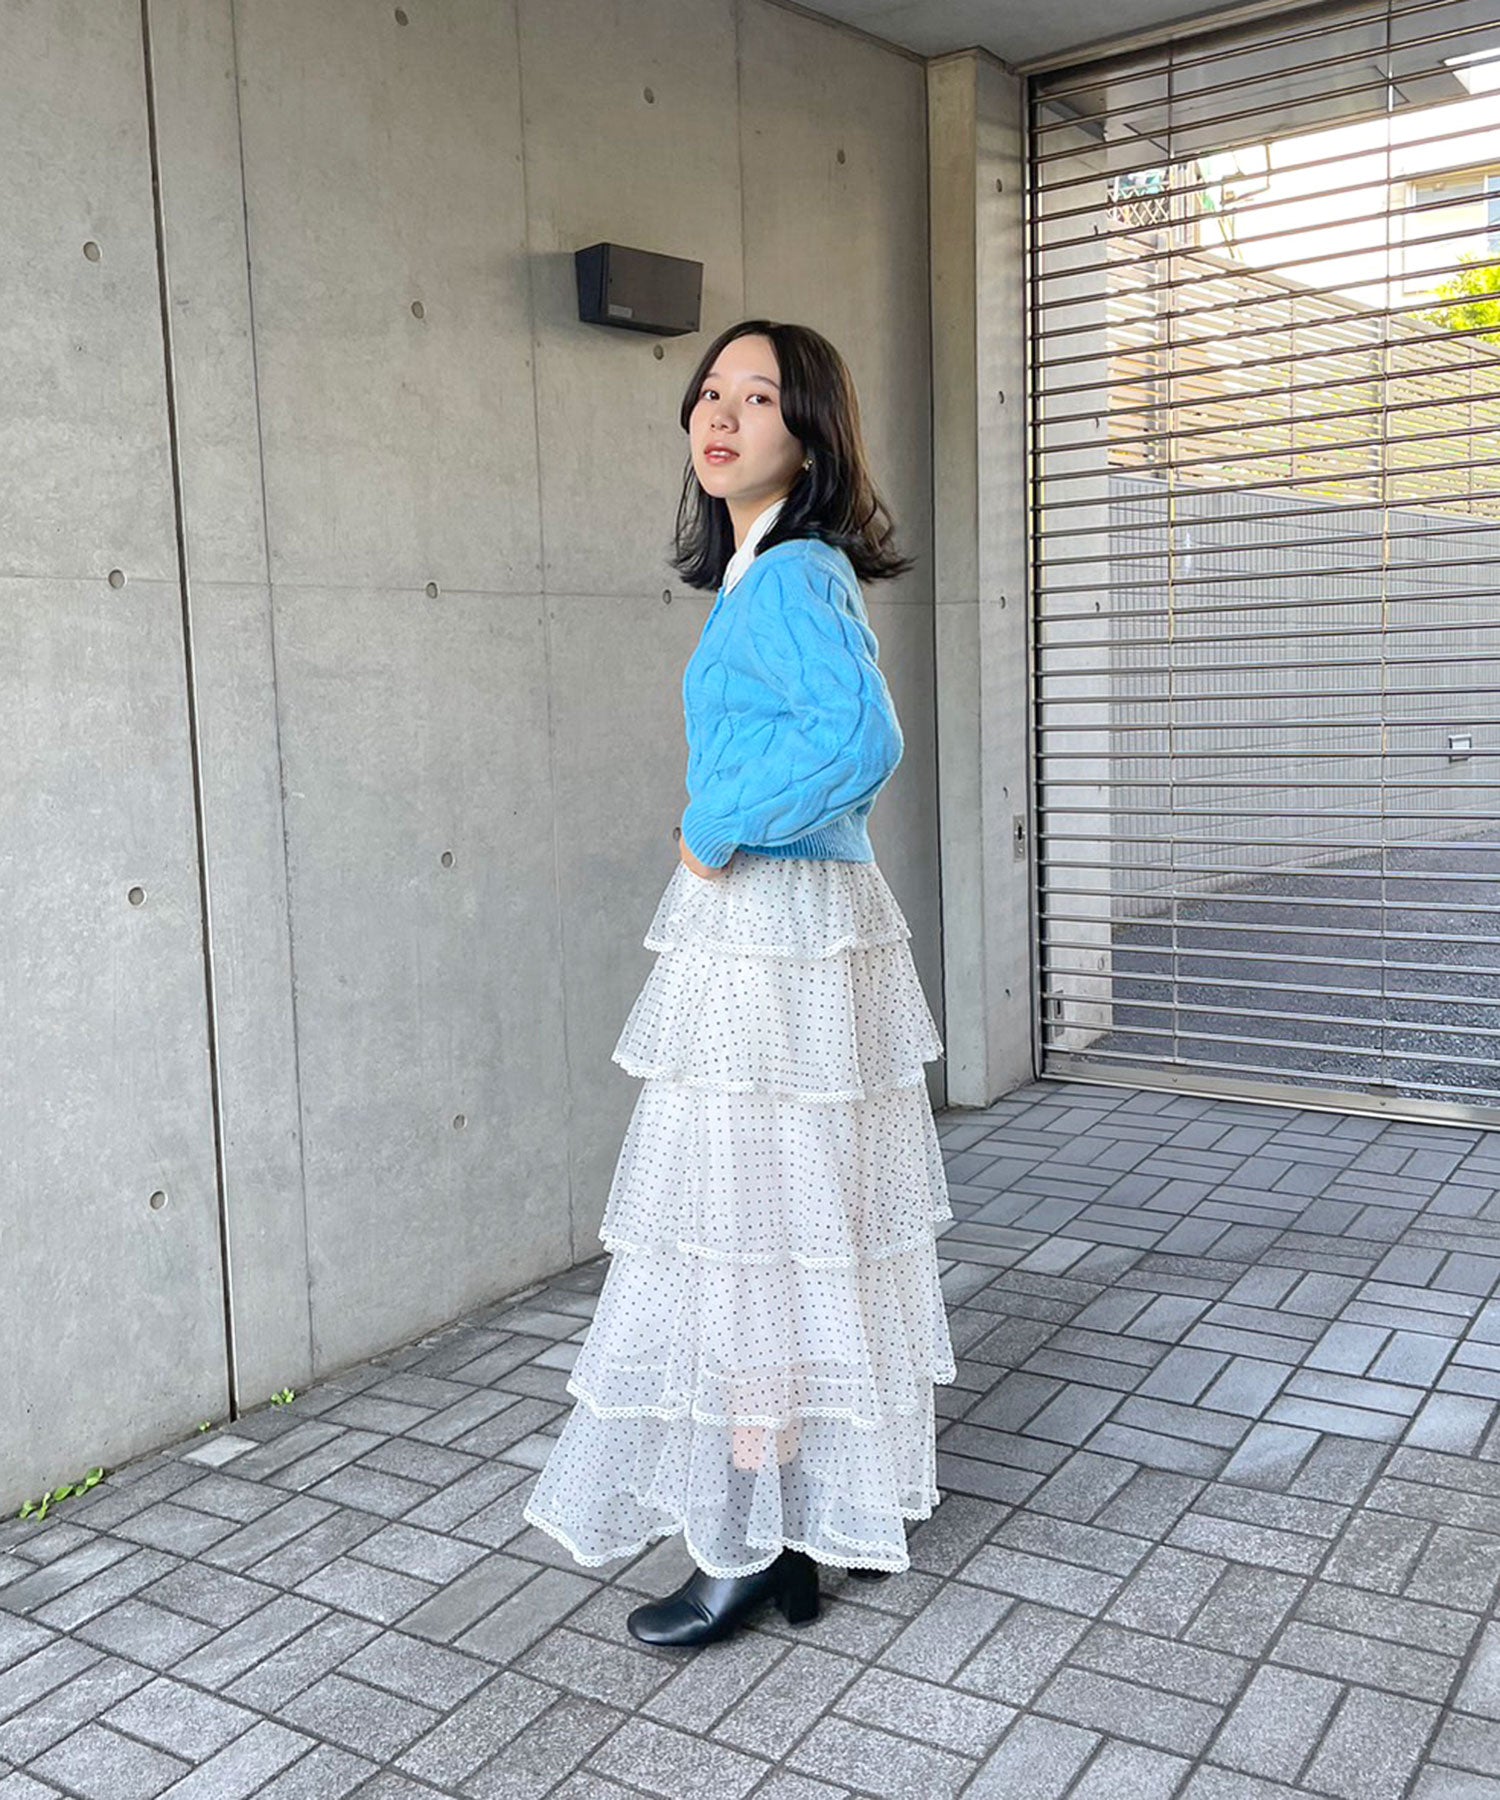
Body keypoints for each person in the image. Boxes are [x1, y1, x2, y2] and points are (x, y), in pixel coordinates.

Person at [521, 318, 956, 1649]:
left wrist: (716, 826)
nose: (720, 416)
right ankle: (793, 1528)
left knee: (749, 1231)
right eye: (710, 392)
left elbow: (862, 736)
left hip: (773, 932)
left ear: (808, 435)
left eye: (758, 398)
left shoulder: (789, 575)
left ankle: (751, 1539)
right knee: (779, 1225)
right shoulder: (767, 570)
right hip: (789, 933)